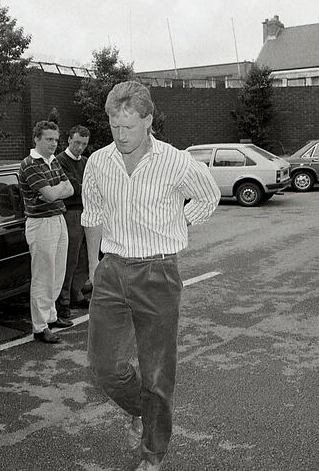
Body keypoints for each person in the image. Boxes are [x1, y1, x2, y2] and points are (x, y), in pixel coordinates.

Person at [81, 81, 220, 470]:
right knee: (104, 367)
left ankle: (153, 453)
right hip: (111, 270)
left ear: (148, 120)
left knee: (158, 372)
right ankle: (141, 411)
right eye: (114, 126)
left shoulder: (175, 161)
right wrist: (95, 265)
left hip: (157, 272)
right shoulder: (98, 162)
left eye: (129, 126)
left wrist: (180, 222)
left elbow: (208, 196)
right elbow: (92, 215)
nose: (121, 135)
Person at [18, 120, 74, 344]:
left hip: (58, 219)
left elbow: (69, 188)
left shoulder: (53, 162)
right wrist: (56, 191)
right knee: (43, 275)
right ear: (37, 139)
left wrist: (54, 191)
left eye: (56, 140)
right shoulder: (30, 164)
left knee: (57, 271)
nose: (53, 144)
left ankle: (51, 316)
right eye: (49, 139)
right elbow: (52, 195)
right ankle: (40, 327)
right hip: (40, 223)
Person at [55, 125, 91, 319]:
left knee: (85, 256)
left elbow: (91, 185)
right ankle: (63, 300)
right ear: (69, 140)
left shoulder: (86, 161)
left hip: (87, 212)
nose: (80, 147)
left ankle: (76, 292)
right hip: (71, 214)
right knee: (70, 259)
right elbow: (73, 188)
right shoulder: (60, 161)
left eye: (84, 144)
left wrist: (84, 187)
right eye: (77, 142)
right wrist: (85, 187)